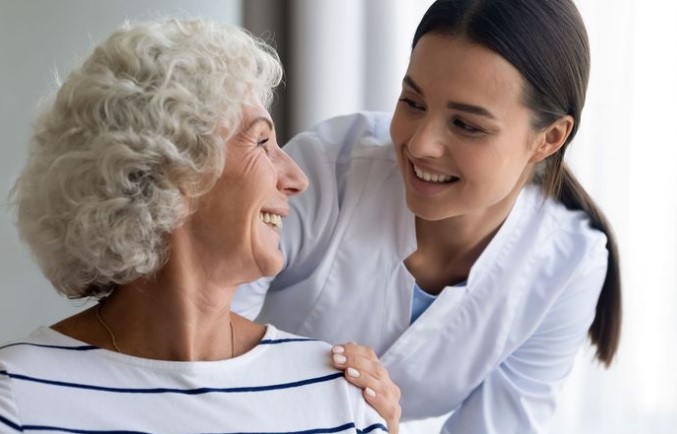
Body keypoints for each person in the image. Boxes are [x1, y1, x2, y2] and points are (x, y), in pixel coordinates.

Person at [233, 0, 622, 432]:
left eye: (466, 125)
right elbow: (198, 350)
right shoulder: (320, 173)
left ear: (549, 138)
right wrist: (328, 396)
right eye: (413, 102)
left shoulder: (569, 266)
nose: (420, 145)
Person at [0, 19, 389, 434]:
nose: (296, 177)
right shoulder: (19, 397)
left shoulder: (338, 397)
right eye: (261, 142)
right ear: (172, 169)